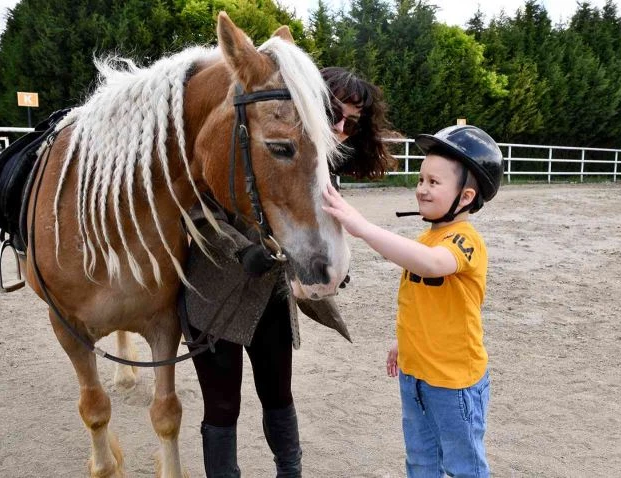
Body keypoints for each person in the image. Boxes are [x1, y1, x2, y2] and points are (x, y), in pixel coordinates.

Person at [180, 68, 393, 478]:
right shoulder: (243, 137)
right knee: (222, 406)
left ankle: (290, 473)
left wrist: (325, 264)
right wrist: (241, 250)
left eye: (351, 123)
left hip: (271, 297)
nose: (340, 128)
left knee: (278, 395)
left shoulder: (317, 165)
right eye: (334, 113)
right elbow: (197, 208)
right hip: (214, 292)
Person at [322, 124, 503, 478]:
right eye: (421, 180)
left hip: (454, 384)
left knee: (464, 467)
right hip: (416, 376)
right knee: (420, 463)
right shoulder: (426, 238)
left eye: (434, 183)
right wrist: (403, 342)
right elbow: (421, 300)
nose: (421, 189)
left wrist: (363, 227)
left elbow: (433, 265)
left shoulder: (466, 241)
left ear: (465, 197)